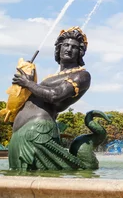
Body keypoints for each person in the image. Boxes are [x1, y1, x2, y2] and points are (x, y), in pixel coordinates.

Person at [8, 27, 93, 170]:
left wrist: (28, 83)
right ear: (59, 49)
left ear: (80, 52)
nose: (69, 49)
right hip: (24, 133)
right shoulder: (53, 76)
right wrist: (26, 84)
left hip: (38, 132)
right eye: (65, 45)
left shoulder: (82, 75)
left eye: (74, 47)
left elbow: (55, 95)